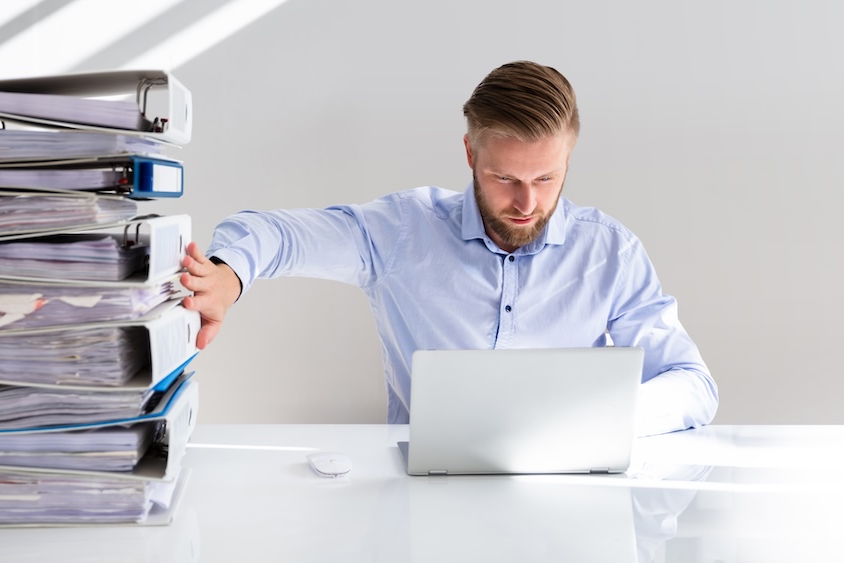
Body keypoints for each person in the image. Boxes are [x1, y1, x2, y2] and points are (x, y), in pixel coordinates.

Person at [178, 60, 718, 436]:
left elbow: (693, 385)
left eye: (548, 178)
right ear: (469, 152)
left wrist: (603, 417)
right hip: (422, 501)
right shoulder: (403, 231)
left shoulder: (611, 254)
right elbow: (276, 233)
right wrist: (230, 273)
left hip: (569, 501)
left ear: (570, 158)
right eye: (505, 178)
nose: (527, 203)